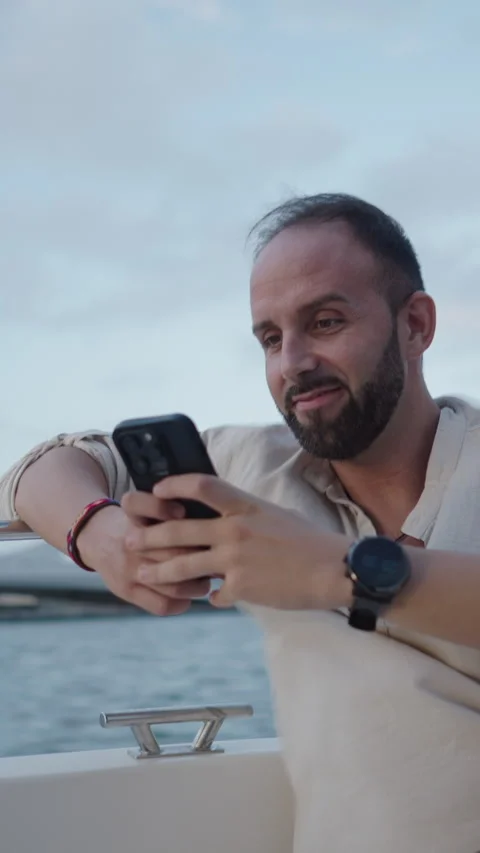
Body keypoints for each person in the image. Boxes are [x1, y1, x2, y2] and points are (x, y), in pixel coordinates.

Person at [1, 193, 479, 853]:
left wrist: (333, 570)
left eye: (327, 320)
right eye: (270, 338)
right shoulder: (250, 471)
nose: (293, 362)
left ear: (417, 325)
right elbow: (42, 467)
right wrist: (101, 534)